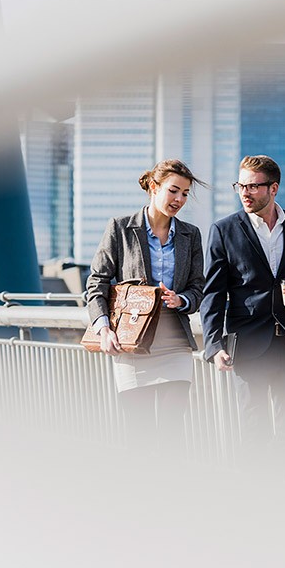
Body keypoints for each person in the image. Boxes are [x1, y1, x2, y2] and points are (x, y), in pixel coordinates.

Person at [200, 155, 285, 473]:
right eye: (240, 185)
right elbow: (213, 294)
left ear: (273, 188)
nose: (245, 192)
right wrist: (215, 345)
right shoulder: (224, 230)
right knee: (255, 429)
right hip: (248, 345)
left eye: (253, 186)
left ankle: (273, 484)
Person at [86, 159, 206, 459]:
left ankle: (168, 496)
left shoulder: (191, 235)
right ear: (153, 187)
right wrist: (103, 328)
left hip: (175, 343)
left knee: (170, 430)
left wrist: (183, 300)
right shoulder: (121, 228)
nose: (179, 199)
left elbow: (198, 288)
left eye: (185, 193)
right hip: (132, 342)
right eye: (173, 191)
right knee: (139, 433)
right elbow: (96, 282)